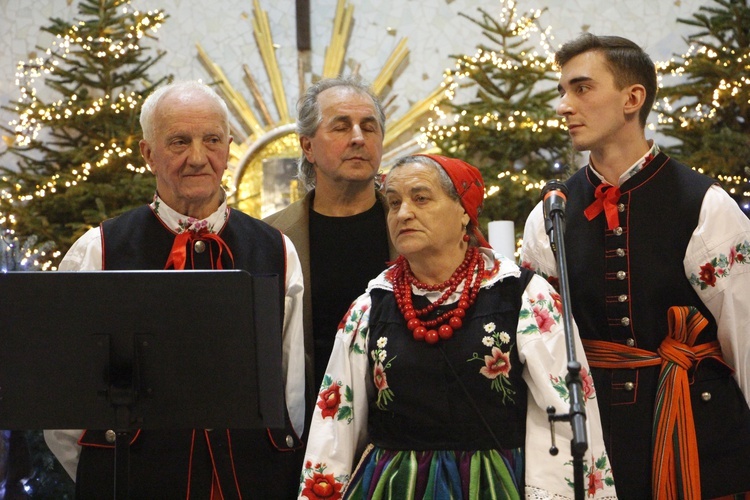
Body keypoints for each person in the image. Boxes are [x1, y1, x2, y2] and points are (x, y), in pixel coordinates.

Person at [299, 154, 618, 499]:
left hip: (494, 485)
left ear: (464, 210)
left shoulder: (524, 297)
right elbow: (334, 424)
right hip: (395, 487)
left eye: (420, 198)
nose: (403, 212)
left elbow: (562, 416)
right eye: (393, 203)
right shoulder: (371, 307)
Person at [43, 80, 306, 498]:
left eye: (212, 140)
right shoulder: (98, 250)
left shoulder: (276, 249)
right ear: (148, 153)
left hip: (250, 481)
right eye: (179, 142)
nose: (197, 158)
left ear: (229, 147)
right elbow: (62, 404)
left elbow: (290, 389)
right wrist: (106, 474)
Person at [521, 33, 750, 499]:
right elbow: (539, 348)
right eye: (561, 91)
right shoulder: (550, 213)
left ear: (632, 98)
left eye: (581, 88)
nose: (564, 105)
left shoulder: (705, 205)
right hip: (595, 439)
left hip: (699, 429)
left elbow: (745, 336)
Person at [264, 76, 397, 410]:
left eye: (369, 127)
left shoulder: (411, 229)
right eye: (341, 127)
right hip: (304, 430)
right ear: (308, 146)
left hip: (400, 431)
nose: (357, 138)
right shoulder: (271, 239)